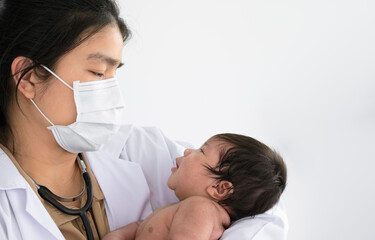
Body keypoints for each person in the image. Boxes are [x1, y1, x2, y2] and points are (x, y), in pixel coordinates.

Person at [0, 0, 288, 239]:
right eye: (98, 73)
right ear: (29, 76)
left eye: (115, 75)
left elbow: (260, 201)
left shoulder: (140, 149)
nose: (113, 94)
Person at [103, 133, 287, 240]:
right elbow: (140, 227)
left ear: (220, 189)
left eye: (201, 151)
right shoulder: (183, 208)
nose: (187, 150)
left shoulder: (200, 210)